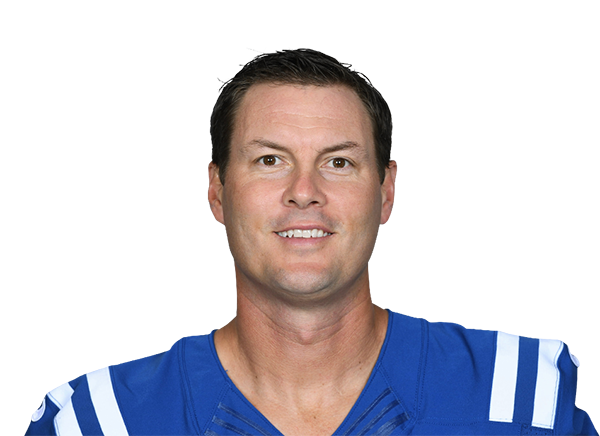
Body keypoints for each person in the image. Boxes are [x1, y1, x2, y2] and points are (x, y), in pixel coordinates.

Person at [30, 48, 595, 436]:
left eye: (339, 162)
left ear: (386, 192)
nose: (304, 192)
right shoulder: (100, 422)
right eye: (269, 160)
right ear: (218, 192)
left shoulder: (528, 400)